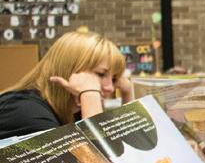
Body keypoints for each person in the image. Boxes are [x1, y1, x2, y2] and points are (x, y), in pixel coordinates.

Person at [0, 30, 132, 139]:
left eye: (114, 79)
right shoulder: (25, 110)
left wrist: (127, 94)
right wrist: (90, 94)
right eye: (101, 74)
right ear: (69, 70)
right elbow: (98, 159)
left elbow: (126, 150)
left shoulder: (75, 111)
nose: (110, 88)